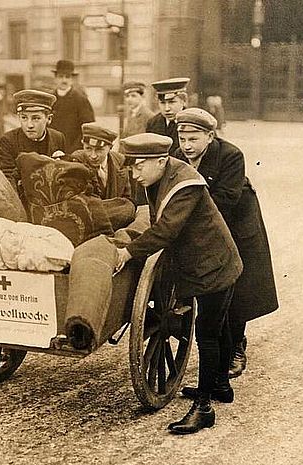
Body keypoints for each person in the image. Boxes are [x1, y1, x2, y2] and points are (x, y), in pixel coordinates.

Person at [115, 133, 242, 435]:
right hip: (207, 261)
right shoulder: (163, 175)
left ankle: (204, 408)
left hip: (215, 266)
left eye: (139, 166)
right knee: (219, 324)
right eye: (132, 167)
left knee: (208, 333)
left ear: (161, 161)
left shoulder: (186, 184)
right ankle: (221, 385)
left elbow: (165, 231)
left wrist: (128, 251)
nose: (134, 173)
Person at [172, 108, 278, 382]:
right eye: (182, 139)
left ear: (210, 136)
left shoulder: (230, 156)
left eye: (193, 139)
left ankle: (236, 348)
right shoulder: (177, 156)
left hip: (237, 227)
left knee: (236, 289)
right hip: (204, 225)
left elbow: (224, 202)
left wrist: (180, 222)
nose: (187, 146)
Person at [0, 89, 66, 202]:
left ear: (49, 119)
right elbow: (5, 178)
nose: (29, 125)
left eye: (36, 118)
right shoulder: (8, 140)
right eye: (24, 118)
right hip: (20, 201)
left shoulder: (58, 138)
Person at [50, 60, 95, 154]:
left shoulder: (81, 100)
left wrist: (75, 150)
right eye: (60, 76)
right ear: (55, 78)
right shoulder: (49, 99)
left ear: (72, 79)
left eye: (67, 77)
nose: (64, 80)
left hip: (73, 151)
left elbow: (88, 128)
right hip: (51, 150)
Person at [145, 77, 189, 153]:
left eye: (172, 102)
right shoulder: (153, 123)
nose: (167, 108)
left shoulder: (193, 121)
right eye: (162, 103)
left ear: (184, 101)